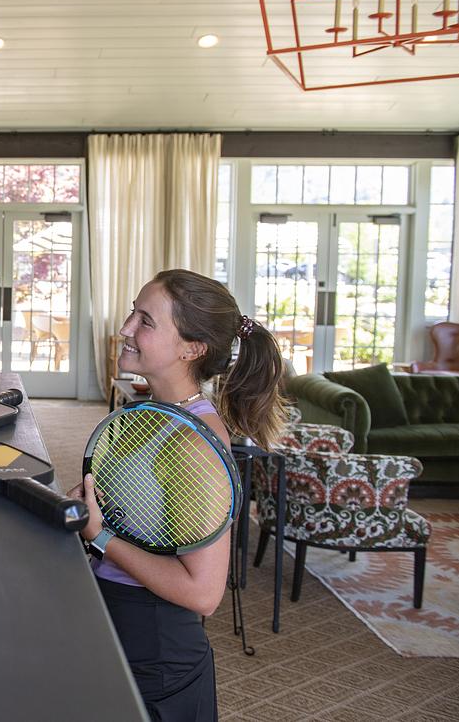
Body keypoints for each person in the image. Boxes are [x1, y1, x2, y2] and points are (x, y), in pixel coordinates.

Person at [69, 268, 286, 721]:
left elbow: (204, 593)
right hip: (118, 622)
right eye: (132, 312)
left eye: (145, 320)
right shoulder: (150, 413)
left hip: (156, 651)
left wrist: (101, 535)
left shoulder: (196, 442)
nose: (125, 328)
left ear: (192, 348)